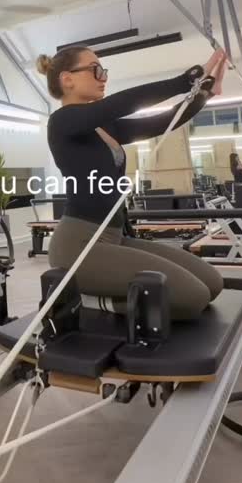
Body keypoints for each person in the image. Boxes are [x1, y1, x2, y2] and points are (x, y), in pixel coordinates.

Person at [37, 46, 228, 320]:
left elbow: (164, 121)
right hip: (79, 246)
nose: (103, 77)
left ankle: (99, 298)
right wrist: (185, 80)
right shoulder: (61, 122)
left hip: (114, 238)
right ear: (67, 79)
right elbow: (121, 103)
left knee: (212, 283)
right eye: (95, 69)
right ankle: (88, 303)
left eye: (103, 71)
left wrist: (205, 92)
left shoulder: (104, 127)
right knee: (193, 297)